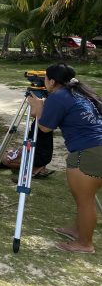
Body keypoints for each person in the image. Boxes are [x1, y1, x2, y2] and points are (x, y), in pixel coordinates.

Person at [27, 63, 102, 254]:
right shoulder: (82, 93)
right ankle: (77, 230)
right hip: (96, 147)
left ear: (52, 81)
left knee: (85, 200)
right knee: (85, 197)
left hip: (88, 152)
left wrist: (37, 109)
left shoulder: (58, 97)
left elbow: (45, 128)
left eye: (45, 78)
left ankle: (85, 244)